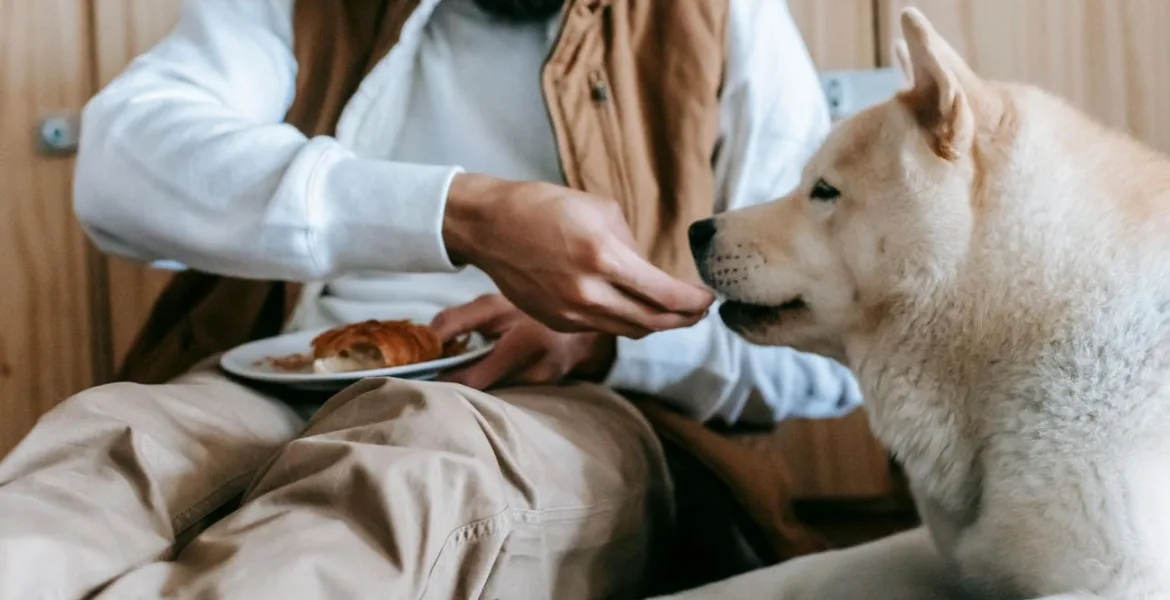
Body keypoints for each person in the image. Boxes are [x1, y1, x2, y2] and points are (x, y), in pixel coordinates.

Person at [0, 0, 862, 598]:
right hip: (283, 371)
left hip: (572, 404)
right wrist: (458, 213)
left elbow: (834, 352)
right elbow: (120, 164)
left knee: (416, 471)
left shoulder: (718, 19)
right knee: (109, 447)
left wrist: (603, 342)